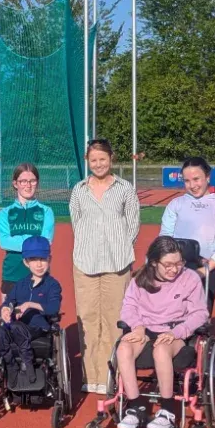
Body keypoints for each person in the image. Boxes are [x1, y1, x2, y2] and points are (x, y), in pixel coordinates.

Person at [114, 236, 208, 428]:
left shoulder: (189, 278)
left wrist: (177, 332)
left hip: (175, 332)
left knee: (161, 349)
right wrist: (137, 326)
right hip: (145, 330)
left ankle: (167, 411)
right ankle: (136, 407)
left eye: (179, 263)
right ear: (154, 262)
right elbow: (128, 307)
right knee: (123, 348)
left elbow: (200, 313)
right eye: (168, 264)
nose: (174, 269)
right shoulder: (140, 279)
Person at [69, 138, 140, 394]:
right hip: (85, 263)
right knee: (87, 320)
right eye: (93, 160)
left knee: (114, 320)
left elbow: (133, 225)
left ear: (111, 159)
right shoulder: (79, 190)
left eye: (102, 159)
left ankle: (112, 374)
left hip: (117, 263)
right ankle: (92, 377)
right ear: (88, 161)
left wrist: (118, 246)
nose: (98, 164)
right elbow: (77, 222)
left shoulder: (124, 188)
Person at [158, 156, 215, 315]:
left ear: (207, 176)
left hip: (205, 271)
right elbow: (164, 237)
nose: (192, 185)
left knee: (200, 320)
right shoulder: (176, 205)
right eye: (187, 181)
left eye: (196, 179)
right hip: (174, 271)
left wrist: (206, 269)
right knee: (171, 317)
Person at [0, 236, 62, 383]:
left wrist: (30, 304)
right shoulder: (20, 284)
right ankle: (11, 366)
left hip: (39, 327)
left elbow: (53, 308)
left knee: (16, 327)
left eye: (43, 259)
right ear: (26, 263)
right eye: (33, 260)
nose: (39, 264)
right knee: (0, 332)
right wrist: (5, 310)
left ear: (49, 259)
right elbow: (8, 302)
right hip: (17, 327)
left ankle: (28, 365)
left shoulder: (52, 285)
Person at [0, 163, 55, 302]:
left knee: (38, 318)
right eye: (23, 181)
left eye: (32, 181)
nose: (28, 185)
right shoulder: (5, 213)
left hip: (38, 273)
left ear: (37, 183)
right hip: (12, 272)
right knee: (10, 318)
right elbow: (4, 242)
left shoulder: (46, 211)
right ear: (15, 184)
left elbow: (45, 242)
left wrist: (17, 240)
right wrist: (33, 240)